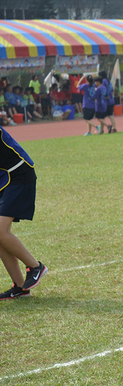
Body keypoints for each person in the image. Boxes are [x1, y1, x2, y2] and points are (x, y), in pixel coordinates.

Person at [0, 125, 48, 300]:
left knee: (1, 231)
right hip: (4, 179)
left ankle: (35, 267)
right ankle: (20, 287)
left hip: (18, 175)